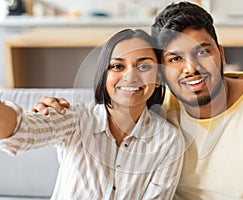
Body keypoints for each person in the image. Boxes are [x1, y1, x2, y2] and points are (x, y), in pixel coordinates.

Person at [32, 2, 243, 200]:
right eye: (175, 59)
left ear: (221, 54)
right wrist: (52, 108)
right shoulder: (157, 106)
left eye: (202, 52)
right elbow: (105, 112)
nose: (190, 68)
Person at [0, 29, 184, 199]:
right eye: (118, 67)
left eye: (143, 67)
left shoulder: (167, 140)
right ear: (104, 75)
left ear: (159, 78)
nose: (130, 77)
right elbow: (21, 132)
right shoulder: (73, 119)